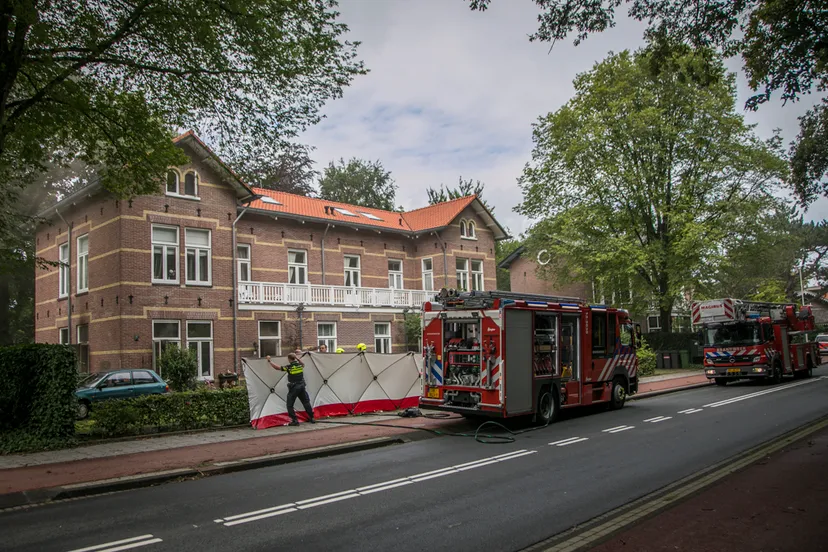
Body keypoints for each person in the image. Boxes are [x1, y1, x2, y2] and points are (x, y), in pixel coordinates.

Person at [266, 353, 315, 426]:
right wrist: (298, 358)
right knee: (306, 402)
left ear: (289, 359)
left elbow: (277, 368)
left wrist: (269, 361)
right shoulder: (299, 365)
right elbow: (303, 364)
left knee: (289, 404)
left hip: (294, 387)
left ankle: (295, 421)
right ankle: (311, 418)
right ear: (295, 358)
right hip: (302, 386)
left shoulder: (289, 367)